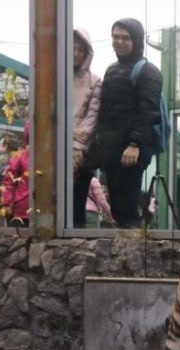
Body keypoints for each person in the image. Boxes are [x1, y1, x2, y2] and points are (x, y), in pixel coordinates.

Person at [81, 18, 162, 228]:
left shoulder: (148, 71)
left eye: (125, 37)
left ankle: (134, 250)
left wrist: (135, 144)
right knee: (116, 206)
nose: (119, 41)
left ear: (136, 40)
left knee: (127, 206)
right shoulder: (111, 69)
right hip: (110, 148)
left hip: (131, 150)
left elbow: (148, 110)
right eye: (115, 37)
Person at [72, 29, 103, 227]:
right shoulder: (53, 76)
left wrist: (76, 146)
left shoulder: (95, 81)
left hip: (81, 153)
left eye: (80, 50)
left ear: (87, 53)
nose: (75, 53)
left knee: (76, 203)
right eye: (71, 48)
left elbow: (91, 118)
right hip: (53, 151)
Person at [1, 121, 31, 224]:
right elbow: (8, 182)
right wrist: (6, 203)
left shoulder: (54, 157)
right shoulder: (19, 157)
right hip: (21, 211)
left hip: (46, 211)